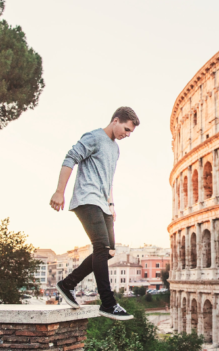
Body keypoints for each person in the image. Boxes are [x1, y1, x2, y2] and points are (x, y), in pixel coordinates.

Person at [50, 107, 140, 321]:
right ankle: (108, 303)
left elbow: (108, 178)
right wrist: (59, 191)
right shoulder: (94, 137)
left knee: (108, 252)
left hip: (103, 203)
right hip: (86, 199)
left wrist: (111, 204)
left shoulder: (115, 149)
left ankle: (67, 284)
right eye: (126, 129)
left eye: (130, 133)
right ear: (115, 120)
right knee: (100, 248)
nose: (126, 135)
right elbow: (70, 157)